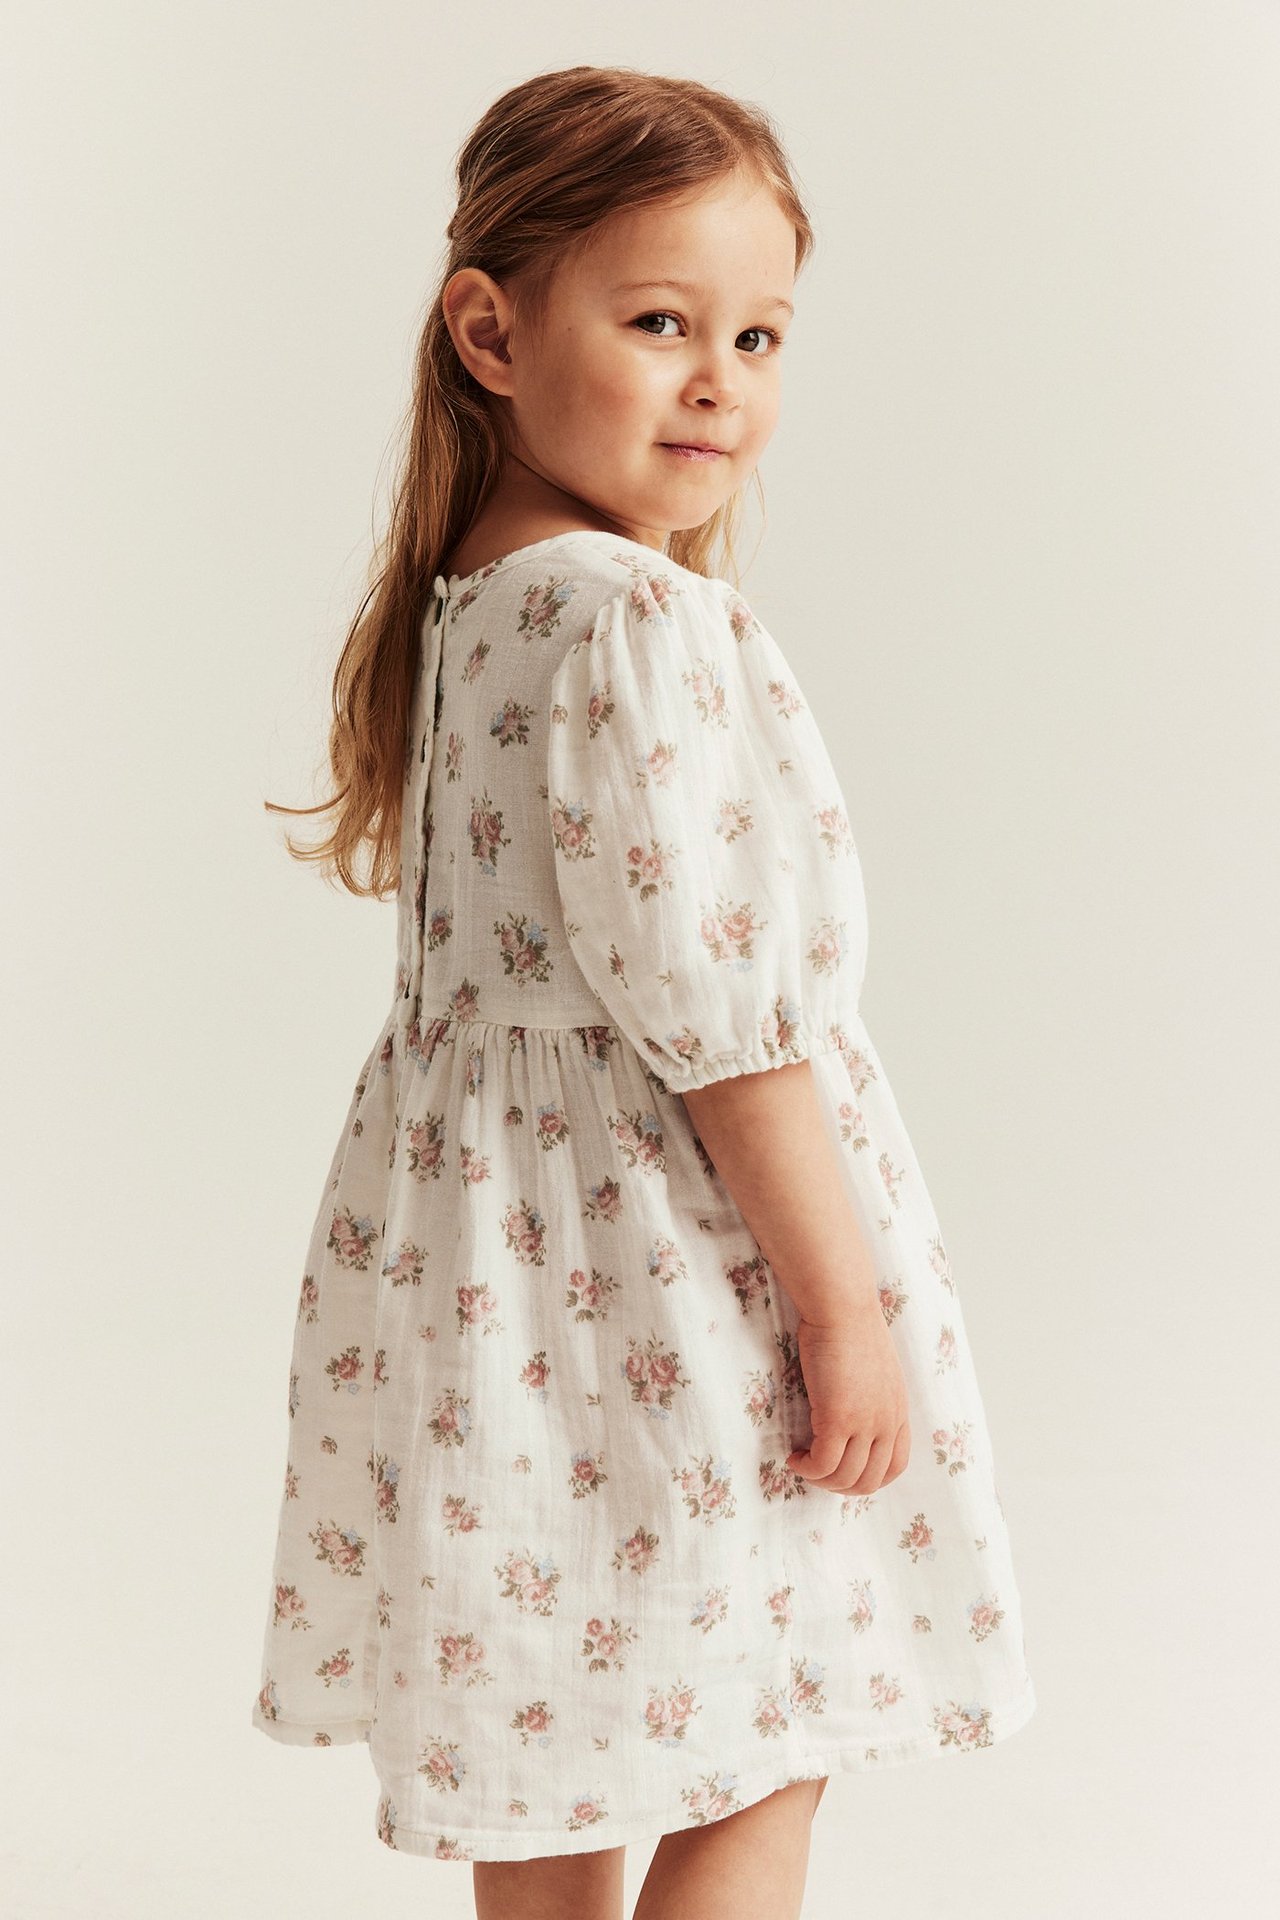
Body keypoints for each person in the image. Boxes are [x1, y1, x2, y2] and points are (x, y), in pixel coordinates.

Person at [250, 63, 1036, 1920]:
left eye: (757, 334)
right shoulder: (624, 618)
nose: (720, 383)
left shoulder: (475, 604)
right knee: (772, 1719)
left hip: (495, 1265)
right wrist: (847, 1318)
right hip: (675, 1262)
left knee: (562, 1714)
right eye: (662, 320)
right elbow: (727, 1026)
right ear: (491, 334)